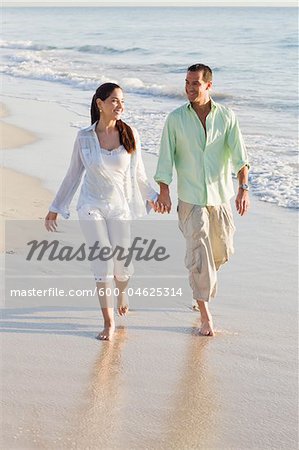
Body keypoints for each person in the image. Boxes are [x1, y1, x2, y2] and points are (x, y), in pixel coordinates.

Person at [45, 82, 158, 341]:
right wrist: (55, 208)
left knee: (123, 267)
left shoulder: (130, 133)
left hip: (119, 207)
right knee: (103, 260)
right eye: (114, 101)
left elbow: (139, 175)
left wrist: (154, 196)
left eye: (122, 101)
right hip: (90, 205)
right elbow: (73, 174)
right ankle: (108, 322)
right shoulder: (84, 136)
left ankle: (122, 291)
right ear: (100, 104)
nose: (120, 106)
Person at [154, 63, 250, 337]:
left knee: (221, 251)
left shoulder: (227, 117)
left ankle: (202, 286)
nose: (189, 88)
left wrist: (244, 188)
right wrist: (163, 190)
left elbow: (240, 156)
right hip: (190, 198)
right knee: (199, 254)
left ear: (209, 85)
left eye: (195, 83)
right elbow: (165, 157)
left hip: (220, 197)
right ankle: (205, 313)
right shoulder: (175, 119)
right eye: (187, 82)